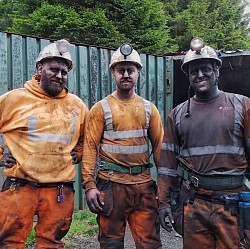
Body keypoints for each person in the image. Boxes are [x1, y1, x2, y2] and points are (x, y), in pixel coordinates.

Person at [157, 37, 250, 249]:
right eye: (193, 71)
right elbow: (167, 166)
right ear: (188, 76)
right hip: (194, 205)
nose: (199, 74)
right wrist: (163, 203)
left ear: (217, 71)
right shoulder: (178, 114)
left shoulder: (242, 105)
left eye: (205, 69)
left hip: (232, 206)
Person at [0, 39, 89, 249]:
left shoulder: (77, 106)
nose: (59, 76)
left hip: (59, 191)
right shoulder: (14, 99)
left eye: (64, 72)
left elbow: (89, 138)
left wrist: (79, 153)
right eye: (54, 70)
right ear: (40, 68)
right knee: (9, 243)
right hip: (19, 188)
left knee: (52, 244)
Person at [82, 43, 163, 249]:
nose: (126, 74)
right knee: (110, 243)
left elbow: (159, 148)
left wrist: (164, 187)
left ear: (138, 72)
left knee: (150, 243)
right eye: (121, 70)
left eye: (130, 70)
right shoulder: (100, 108)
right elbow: (90, 148)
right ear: (113, 73)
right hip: (111, 186)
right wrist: (90, 186)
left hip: (143, 186)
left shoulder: (148, 109)